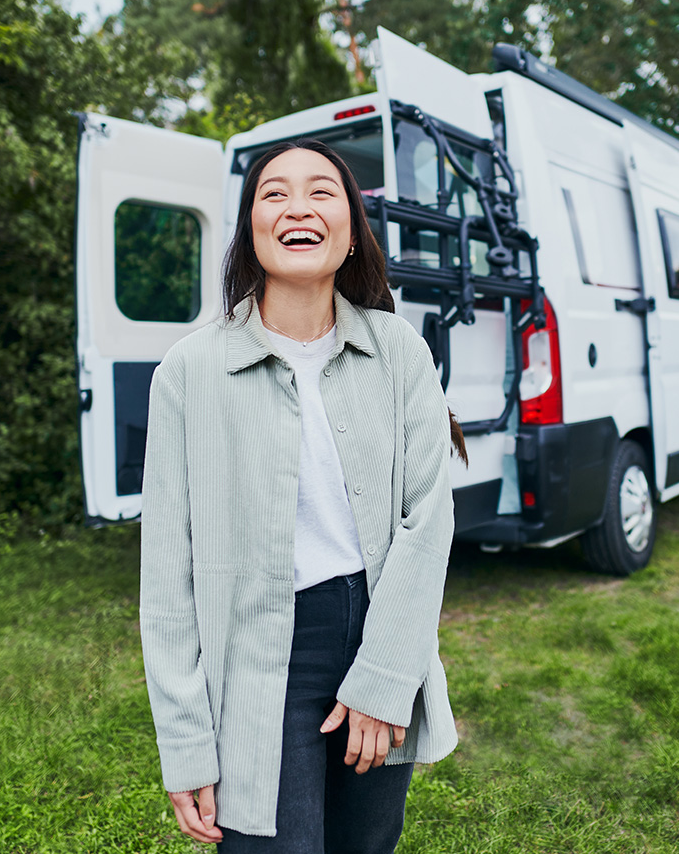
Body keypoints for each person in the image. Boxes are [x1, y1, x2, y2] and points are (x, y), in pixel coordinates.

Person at [138, 138, 464, 853]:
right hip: (255, 654)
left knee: (365, 844)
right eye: (274, 192)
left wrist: (383, 678)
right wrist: (187, 744)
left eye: (323, 192)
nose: (298, 206)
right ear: (251, 230)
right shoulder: (189, 372)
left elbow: (427, 524)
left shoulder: (399, 351)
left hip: (377, 628)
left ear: (351, 231)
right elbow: (167, 577)